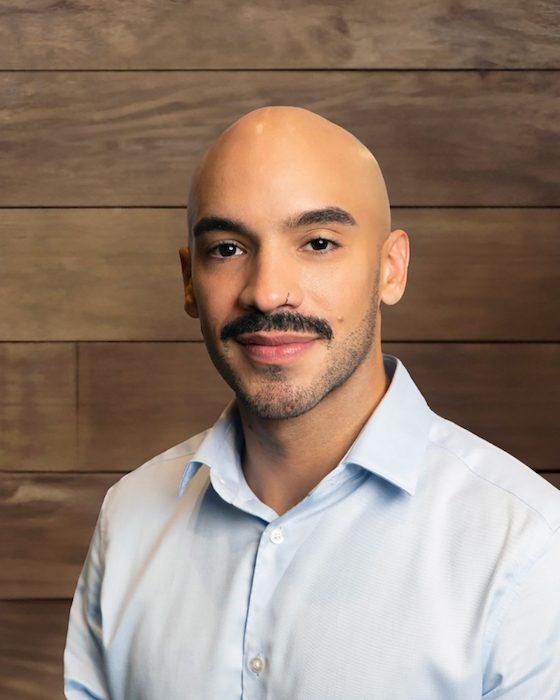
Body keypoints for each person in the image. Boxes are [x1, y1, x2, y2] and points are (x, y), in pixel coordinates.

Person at [64, 107, 560, 699]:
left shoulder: (528, 547)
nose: (267, 291)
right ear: (189, 280)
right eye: (227, 248)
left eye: (318, 243)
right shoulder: (129, 520)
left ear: (391, 269)